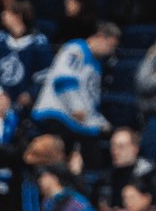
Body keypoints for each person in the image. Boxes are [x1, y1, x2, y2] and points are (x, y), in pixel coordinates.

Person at [33, 21, 120, 152]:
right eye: (110, 45)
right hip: (57, 113)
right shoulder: (76, 49)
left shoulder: (96, 65)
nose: (110, 51)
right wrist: (77, 107)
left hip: (76, 122)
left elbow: (90, 101)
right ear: (100, 37)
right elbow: (64, 81)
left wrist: (101, 122)